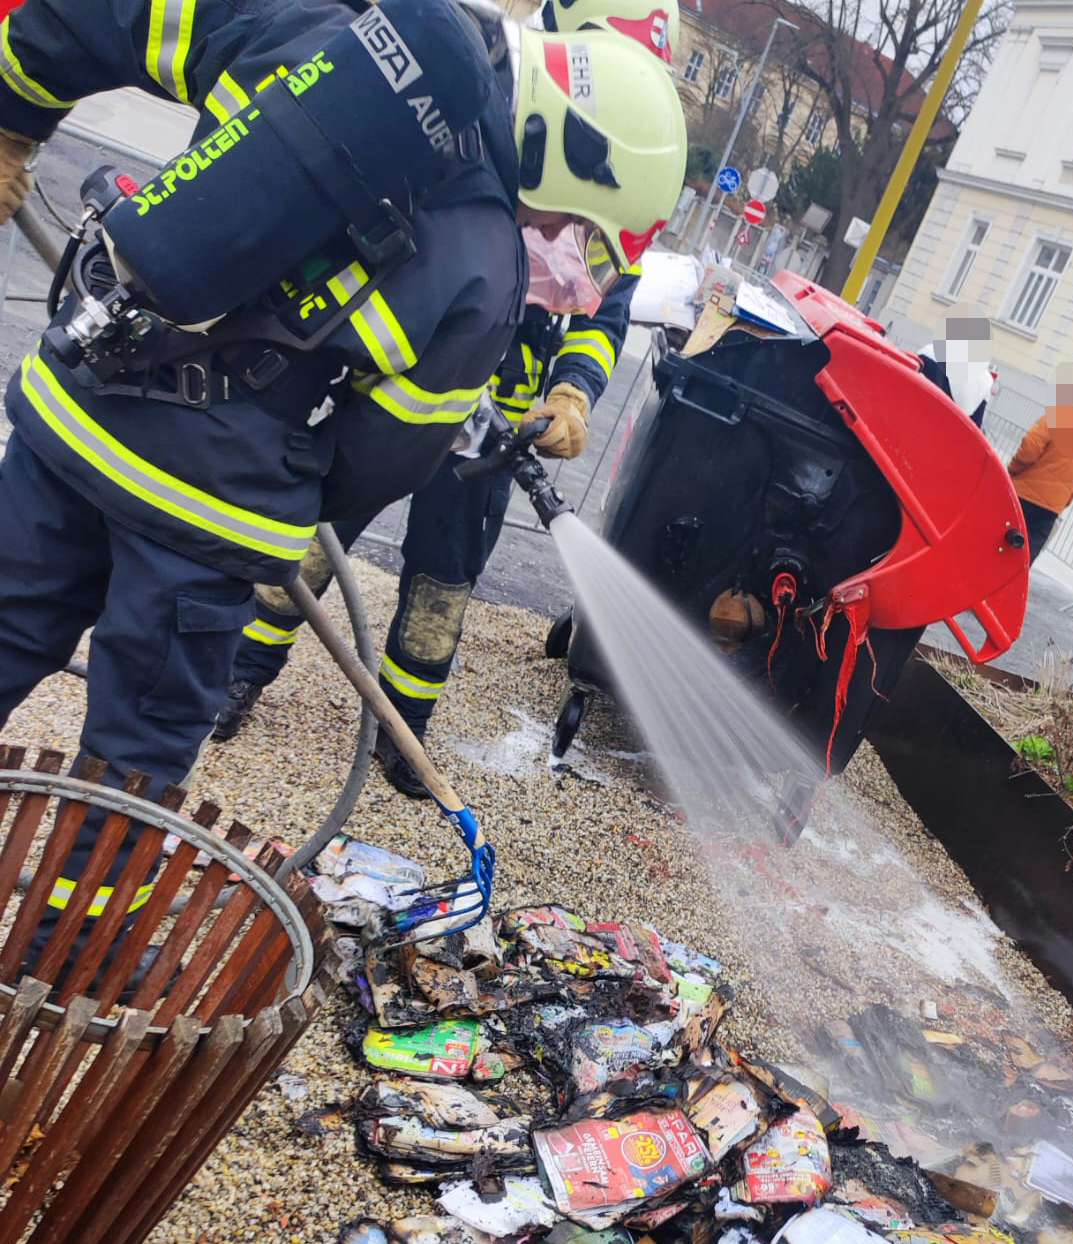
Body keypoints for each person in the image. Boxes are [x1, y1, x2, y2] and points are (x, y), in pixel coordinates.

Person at [0, 0, 685, 970]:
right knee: (131, 762)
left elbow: (109, 16)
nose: (560, 250)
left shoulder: (325, 33)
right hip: (201, 524)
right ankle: (61, 951)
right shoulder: (483, 267)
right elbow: (379, 461)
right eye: (572, 227)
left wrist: (10, 118)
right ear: (563, 160)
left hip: (68, 413)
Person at [212, 0, 681, 797]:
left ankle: (403, 736)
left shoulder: (610, 175)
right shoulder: (499, 111)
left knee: (443, 581)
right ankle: (237, 672)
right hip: (398, 377)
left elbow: (603, 307)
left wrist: (573, 390)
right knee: (312, 532)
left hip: (500, 421)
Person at [1007, 359, 1073, 561]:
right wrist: (1062, 501)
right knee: (1023, 559)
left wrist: (1013, 470)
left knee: (997, 544)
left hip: (1022, 495)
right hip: (1050, 508)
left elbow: (1030, 447)